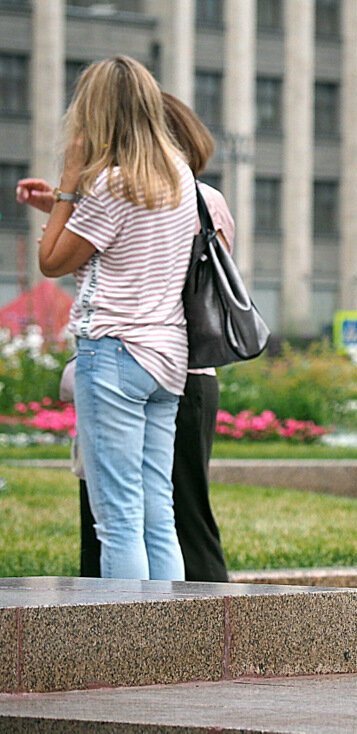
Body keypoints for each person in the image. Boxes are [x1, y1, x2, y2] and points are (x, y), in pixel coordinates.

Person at [22, 56, 195, 580]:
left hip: (113, 353)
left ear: (94, 114)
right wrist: (61, 201)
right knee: (157, 512)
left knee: (117, 520)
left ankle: (131, 651)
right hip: (167, 358)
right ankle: (175, 642)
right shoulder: (178, 178)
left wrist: (70, 181)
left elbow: (51, 261)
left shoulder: (109, 185)